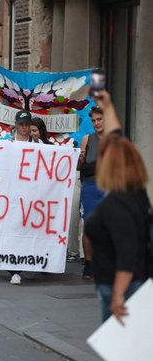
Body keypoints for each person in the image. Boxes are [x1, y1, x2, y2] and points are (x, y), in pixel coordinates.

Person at [83, 90, 153, 361]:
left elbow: (127, 253)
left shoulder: (118, 205)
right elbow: (116, 138)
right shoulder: (136, 194)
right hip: (128, 286)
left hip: (122, 288)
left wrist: (118, 296)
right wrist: (108, 105)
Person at [7, 110, 40, 285]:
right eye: (21, 124)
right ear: (16, 125)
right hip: (13, 193)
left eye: (27, 124)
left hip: (31, 193)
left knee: (29, 228)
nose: (24, 127)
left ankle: (28, 261)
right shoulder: (9, 144)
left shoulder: (38, 143)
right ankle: (13, 269)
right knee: (14, 228)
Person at [78, 106, 106, 279]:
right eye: (93, 120)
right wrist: (81, 162)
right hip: (90, 187)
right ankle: (89, 265)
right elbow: (81, 168)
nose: (96, 123)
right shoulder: (87, 139)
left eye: (99, 119)